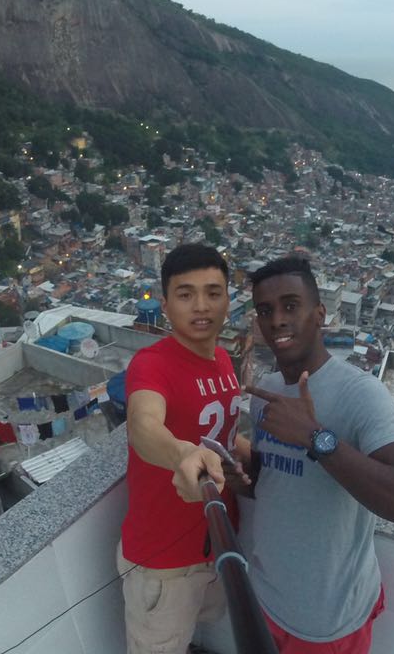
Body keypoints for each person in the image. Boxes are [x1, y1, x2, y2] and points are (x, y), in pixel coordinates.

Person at [245, 255, 394, 653]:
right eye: (266, 310)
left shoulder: (359, 393)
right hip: (267, 596)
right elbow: (271, 480)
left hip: (328, 620)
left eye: (290, 306)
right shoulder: (265, 394)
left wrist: (315, 437)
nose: (277, 319)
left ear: (320, 314)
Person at [119, 243, 245, 654]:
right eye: (185, 294)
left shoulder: (224, 361)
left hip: (214, 544)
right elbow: (143, 425)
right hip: (164, 563)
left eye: (213, 292)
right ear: (166, 304)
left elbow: (224, 433)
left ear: (228, 300)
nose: (201, 306)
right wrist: (181, 453)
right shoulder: (152, 363)